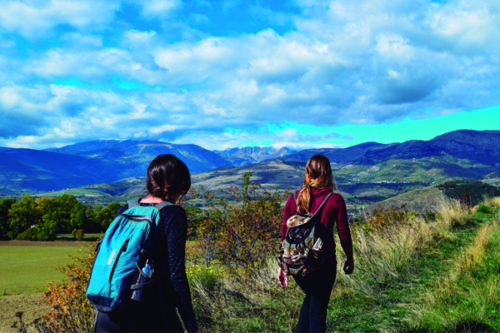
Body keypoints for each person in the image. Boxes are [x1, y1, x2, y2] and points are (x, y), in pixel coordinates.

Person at [95, 154, 198, 333]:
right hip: (150, 313)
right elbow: (176, 276)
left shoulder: (126, 209)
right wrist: (190, 324)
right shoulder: (173, 215)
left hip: (109, 312)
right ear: (179, 185)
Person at [278, 154, 354, 333]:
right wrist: (350, 258)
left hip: (297, 265)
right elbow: (344, 234)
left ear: (307, 173)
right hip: (324, 264)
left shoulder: (294, 197)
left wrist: (282, 266)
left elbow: (284, 234)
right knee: (318, 311)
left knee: (311, 300)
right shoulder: (335, 200)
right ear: (328, 173)